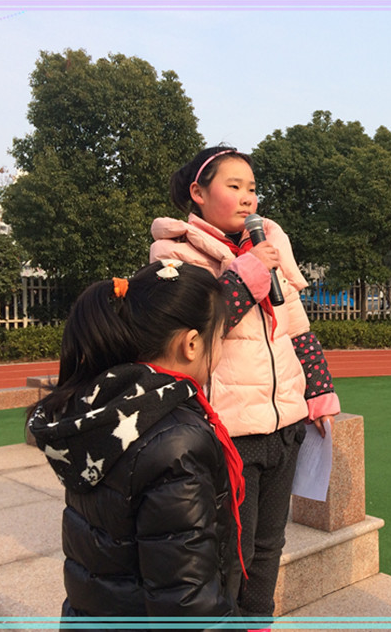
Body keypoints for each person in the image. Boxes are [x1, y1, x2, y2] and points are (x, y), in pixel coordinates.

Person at [150, 145, 340, 620]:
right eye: (233, 186)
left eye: (252, 188)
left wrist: (318, 393)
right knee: (232, 552)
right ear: (198, 193)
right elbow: (198, 332)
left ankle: (259, 624)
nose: (247, 198)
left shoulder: (269, 249)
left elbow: (297, 329)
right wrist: (248, 271)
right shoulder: (174, 253)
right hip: (230, 432)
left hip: (285, 425)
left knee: (269, 544)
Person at [28, 260, 247, 629]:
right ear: (191, 344)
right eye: (220, 338)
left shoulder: (102, 405)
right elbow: (187, 603)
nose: (221, 350)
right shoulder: (177, 441)